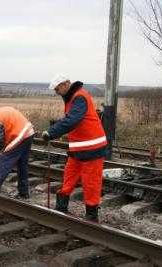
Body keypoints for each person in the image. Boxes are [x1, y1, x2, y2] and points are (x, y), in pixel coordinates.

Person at [42, 74, 107, 222]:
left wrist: (51, 132)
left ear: (65, 84)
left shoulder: (79, 97)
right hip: (78, 148)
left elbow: (72, 120)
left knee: (90, 181)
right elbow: (69, 119)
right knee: (69, 176)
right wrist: (53, 128)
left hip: (92, 147)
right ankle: (61, 206)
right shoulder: (71, 98)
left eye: (57, 89)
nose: (56, 92)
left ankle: (91, 215)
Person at [0, 102, 34, 199]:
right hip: (29, 132)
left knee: (5, 159)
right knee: (22, 165)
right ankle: (24, 193)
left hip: (20, 135)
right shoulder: (3, 110)